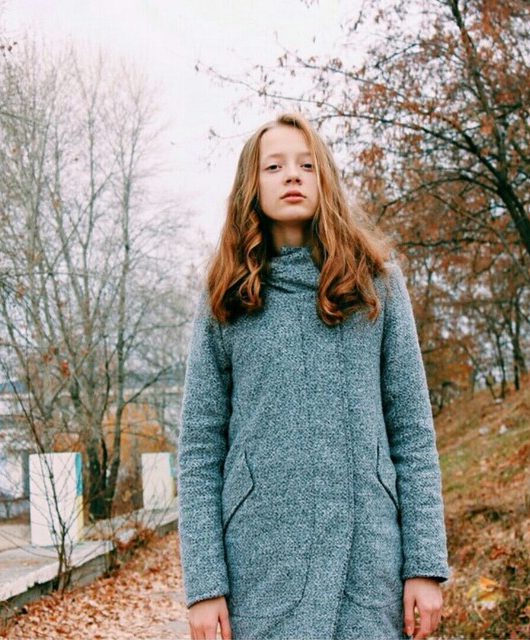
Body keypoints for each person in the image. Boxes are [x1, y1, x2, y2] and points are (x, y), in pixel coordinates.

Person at [176, 112, 451, 640]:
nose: (292, 175)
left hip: (369, 564)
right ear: (251, 186)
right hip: (260, 569)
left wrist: (423, 565)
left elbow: (413, 433)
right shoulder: (226, 298)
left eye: (306, 164)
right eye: (274, 166)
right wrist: (205, 586)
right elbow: (199, 450)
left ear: (325, 177)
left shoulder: (376, 286)